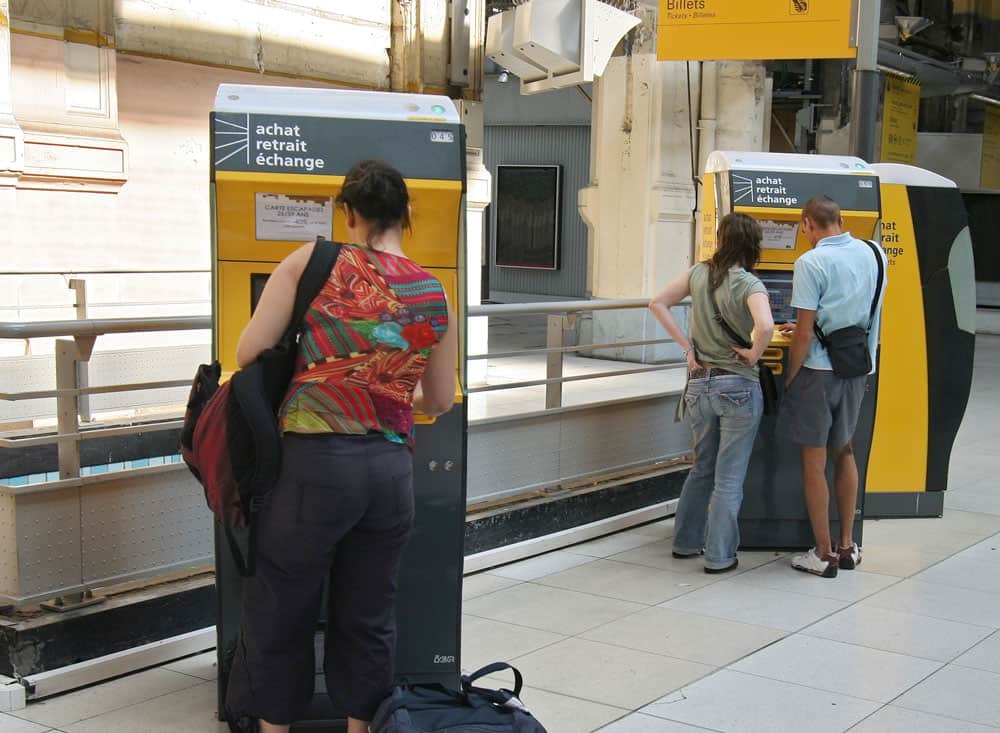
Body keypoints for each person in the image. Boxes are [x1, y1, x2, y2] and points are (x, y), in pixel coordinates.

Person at [226, 160, 458, 733]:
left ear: (347, 213)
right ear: (407, 214)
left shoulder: (312, 261)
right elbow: (439, 401)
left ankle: (275, 728)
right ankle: (361, 727)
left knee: (284, 605)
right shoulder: (433, 291)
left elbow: (248, 352)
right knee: (370, 611)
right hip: (388, 472)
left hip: (312, 467)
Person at [649, 213, 774, 573]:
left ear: (721, 239)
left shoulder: (698, 273)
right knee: (729, 477)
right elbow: (765, 325)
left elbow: (657, 303)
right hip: (737, 385)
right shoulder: (749, 283)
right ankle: (720, 557)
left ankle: (685, 542)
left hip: (699, 384)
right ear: (753, 245)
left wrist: (688, 349)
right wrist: (753, 353)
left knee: (701, 468)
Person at [781, 195, 887, 578]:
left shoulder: (810, 262)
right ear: (841, 220)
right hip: (857, 367)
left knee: (814, 460)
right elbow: (864, 313)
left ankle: (822, 555)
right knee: (844, 451)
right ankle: (847, 548)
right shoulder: (875, 253)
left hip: (818, 372)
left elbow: (805, 330)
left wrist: (791, 376)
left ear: (808, 223)